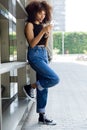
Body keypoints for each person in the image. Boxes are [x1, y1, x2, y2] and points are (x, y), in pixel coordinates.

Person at [23, 0, 60, 125]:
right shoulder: (29, 25)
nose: (42, 16)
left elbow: (43, 44)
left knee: (44, 86)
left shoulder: (43, 25)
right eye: (40, 13)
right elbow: (32, 44)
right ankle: (30, 87)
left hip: (43, 55)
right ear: (34, 12)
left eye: (44, 14)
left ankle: (42, 116)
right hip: (35, 56)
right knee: (54, 78)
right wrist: (44, 31)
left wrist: (47, 34)